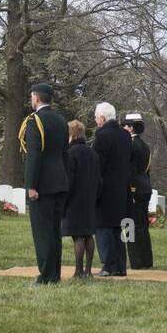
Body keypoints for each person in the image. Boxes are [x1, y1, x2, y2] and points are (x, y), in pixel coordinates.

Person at [19, 83, 70, 285]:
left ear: (36, 98)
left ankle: (46, 275)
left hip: (43, 185)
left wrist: (31, 185)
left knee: (42, 232)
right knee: (55, 232)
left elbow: (34, 155)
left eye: (32, 97)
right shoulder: (61, 120)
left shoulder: (35, 121)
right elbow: (65, 154)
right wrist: (66, 181)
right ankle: (55, 274)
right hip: (60, 183)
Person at [92, 101, 133, 277]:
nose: (95, 121)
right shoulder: (125, 135)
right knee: (117, 229)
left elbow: (97, 165)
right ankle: (120, 266)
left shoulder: (102, 136)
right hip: (122, 188)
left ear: (102, 118)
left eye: (95, 117)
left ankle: (108, 265)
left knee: (103, 228)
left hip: (105, 189)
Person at [62, 119, 101, 278]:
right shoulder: (93, 153)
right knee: (88, 235)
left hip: (75, 200)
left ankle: (78, 271)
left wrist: (64, 200)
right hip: (90, 198)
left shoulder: (71, 153)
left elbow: (69, 179)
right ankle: (89, 270)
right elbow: (100, 179)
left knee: (77, 236)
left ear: (71, 134)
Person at [124, 112, 154, 270]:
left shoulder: (130, 145)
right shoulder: (145, 146)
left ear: (130, 127)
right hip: (145, 187)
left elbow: (128, 170)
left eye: (125, 125)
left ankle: (136, 261)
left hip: (133, 189)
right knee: (142, 226)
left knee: (130, 225)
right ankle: (146, 260)